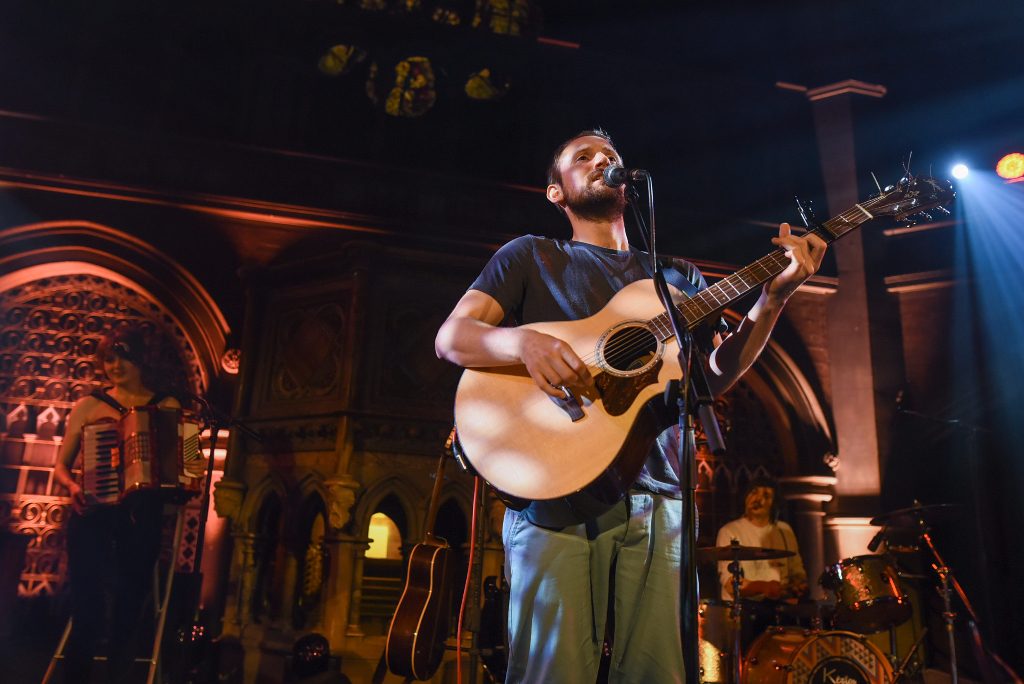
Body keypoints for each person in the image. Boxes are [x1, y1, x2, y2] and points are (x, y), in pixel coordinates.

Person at [434, 129, 827, 683]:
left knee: (656, 675)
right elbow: (452, 338)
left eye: (610, 155)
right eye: (584, 157)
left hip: (660, 498)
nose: (601, 160)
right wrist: (523, 342)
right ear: (556, 192)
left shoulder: (676, 279)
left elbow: (713, 377)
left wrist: (774, 299)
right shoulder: (531, 255)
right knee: (554, 674)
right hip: (557, 493)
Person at [53, 326, 180, 684]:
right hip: (93, 516)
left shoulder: (166, 405)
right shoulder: (90, 406)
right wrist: (73, 487)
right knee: (87, 606)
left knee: (129, 608)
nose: (115, 366)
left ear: (141, 359)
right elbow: (61, 467)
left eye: (123, 357)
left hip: (141, 518)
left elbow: (180, 466)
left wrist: (187, 471)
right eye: (109, 359)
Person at [716, 478, 808, 603]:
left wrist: (798, 585)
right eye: (754, 492)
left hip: (780, 606)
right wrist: (765, 587)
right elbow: (730, 584)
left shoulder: (784, 530)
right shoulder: (730, 531)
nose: (758, 500)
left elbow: (797, 571)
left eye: (766, 495)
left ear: (774, 503)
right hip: (744, 608)